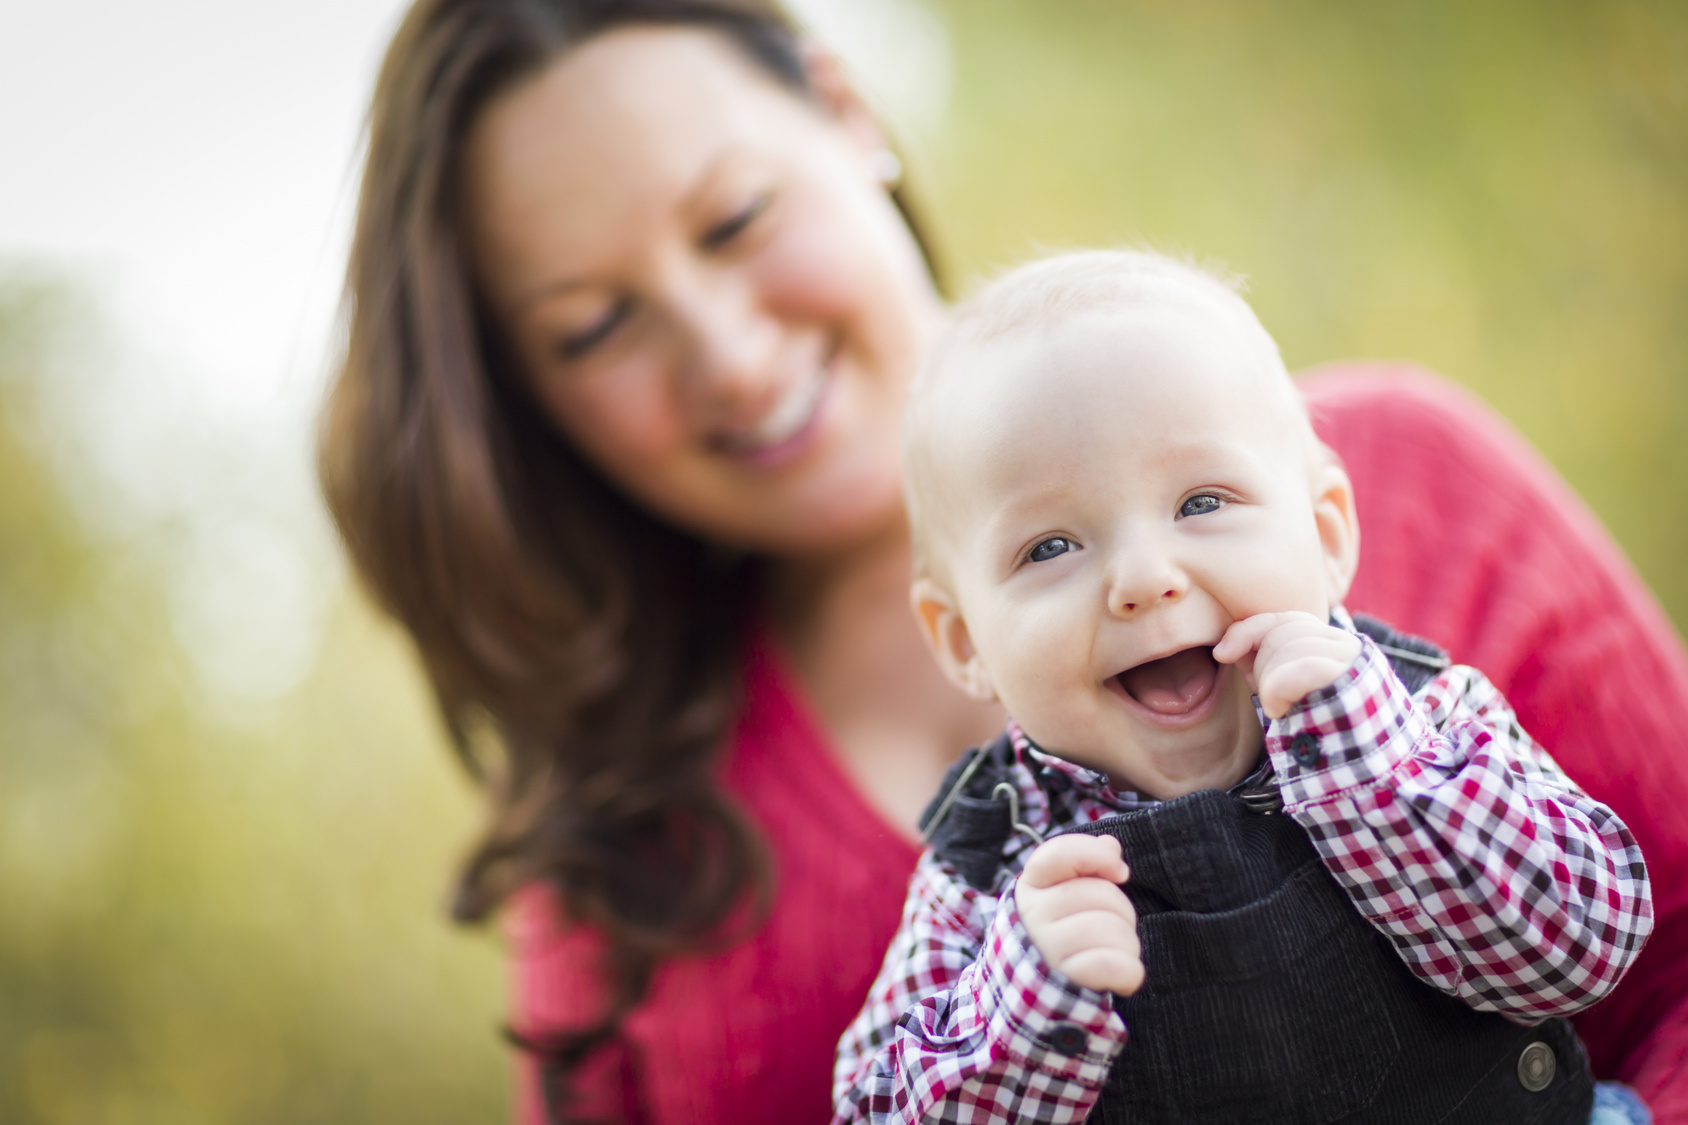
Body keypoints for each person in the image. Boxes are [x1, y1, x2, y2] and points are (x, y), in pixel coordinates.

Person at [316, 1, 1688, 1122]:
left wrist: (1368, 768)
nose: (729, 357)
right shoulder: (623, 855)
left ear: (845, 114)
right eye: (594, 325)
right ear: (954, 631)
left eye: (735, 220)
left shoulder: (1408, 492)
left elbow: (1650, 944)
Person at [831, 249, 1653, 1124]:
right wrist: (1019, 1009)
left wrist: (1378, 775)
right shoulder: (992, 872)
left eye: (1201, 502)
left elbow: (1584, 948)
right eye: (1050, 548)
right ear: (965, 642)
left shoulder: (1425, 716)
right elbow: (877, 1110)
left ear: (1326, 534)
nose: (1144, 578)